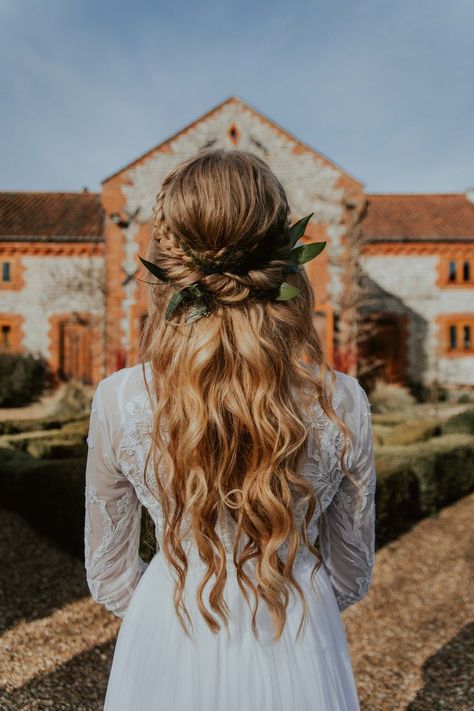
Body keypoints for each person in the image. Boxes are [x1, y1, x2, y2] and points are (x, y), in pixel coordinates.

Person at [84, 148, 376, 710]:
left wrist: (170, 611)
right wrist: (296, 609)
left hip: (167, 640)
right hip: (297, 634)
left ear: (167, 264)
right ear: (284, 257)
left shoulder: (120, 399)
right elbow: (351, 572)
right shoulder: (342, 400)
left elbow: (110, 573)